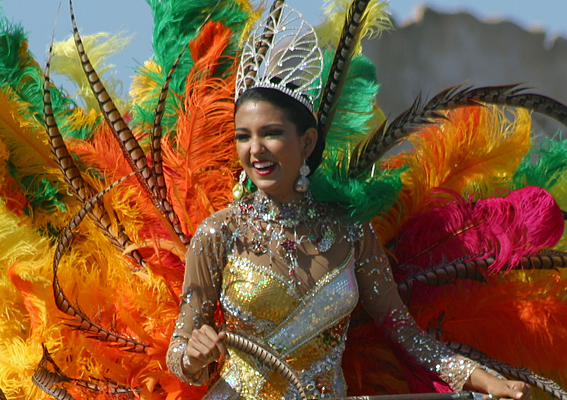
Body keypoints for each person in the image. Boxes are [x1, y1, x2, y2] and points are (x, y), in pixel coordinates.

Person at [165, 82, 533, 399]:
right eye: (243, 136)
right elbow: (179, 351)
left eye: (271, 133)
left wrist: (489, 381)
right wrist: (193, 356)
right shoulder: (219, 233)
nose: (255, 149)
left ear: (307, 142)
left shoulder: (352, 232)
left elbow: (406, 335)